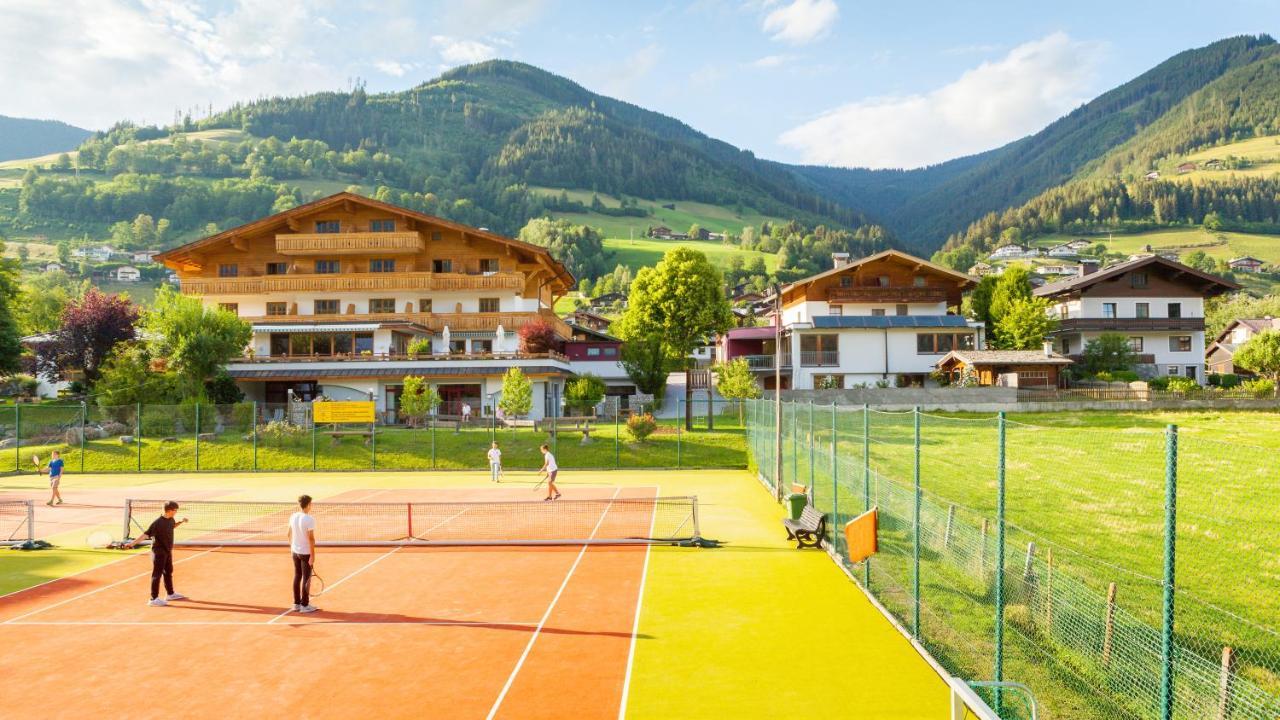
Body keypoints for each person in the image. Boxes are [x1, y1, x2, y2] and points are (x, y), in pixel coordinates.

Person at [126, 501, 189, 606]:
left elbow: (172, 526)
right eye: (175, 510)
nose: (176, 512)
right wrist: (131, 544)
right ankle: (153, 599)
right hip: (159, 552)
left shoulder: (170, 519)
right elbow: (145, 535)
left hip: (167, 550)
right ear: (169, 510)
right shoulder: (157, 523)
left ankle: (170, 594)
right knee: (157, 574)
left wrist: (181, 522)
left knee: (168, 572)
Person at [287, 494, 319, 613]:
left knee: (297, 576)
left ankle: (296, 604)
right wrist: (312, 555)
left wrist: (292, 549)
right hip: (305, 553)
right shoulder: (309, 519)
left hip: (295, 552)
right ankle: (305, 605)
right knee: (306, 578)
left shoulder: (293, 516)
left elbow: (288, 534)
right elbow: (311, 539)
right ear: (309, 504)